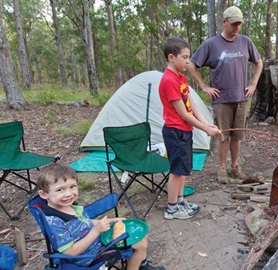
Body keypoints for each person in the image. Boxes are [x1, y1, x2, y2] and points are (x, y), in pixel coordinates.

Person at [36, 163, 164, 270]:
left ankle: (142, 265)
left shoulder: (69, 207)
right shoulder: (55, 222)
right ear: (43, 194)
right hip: (87, 257)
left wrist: (111, 221)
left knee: (139, 230)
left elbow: (85, 223)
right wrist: (97, 231)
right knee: (140, 244)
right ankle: (140, 266)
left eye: (72, 187)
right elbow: (70, 252)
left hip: (95, 243)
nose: (68, 193)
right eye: (60, 190)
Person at [188, 5, 263, 183]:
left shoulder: (245, 42)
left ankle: (235, 167)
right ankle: (221, 169)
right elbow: (191, 64)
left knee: (237, 136)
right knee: (223, 135)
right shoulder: (211, 44)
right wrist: (204, 86)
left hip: (241, 98)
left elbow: (259, 62)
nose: (237, 28)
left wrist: (253, 84)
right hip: (221, 99)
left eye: (239, 24)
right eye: (234, 24)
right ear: (224, 22)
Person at [159, 37, 221, 220]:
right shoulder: (169, 80)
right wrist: (204, 129)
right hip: (175, 131)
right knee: (176, 171)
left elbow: (191, 104)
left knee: (183, 169)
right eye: (185, 57)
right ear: (172, 57)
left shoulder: (181, 77)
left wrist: (206, 123)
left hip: (184, 131)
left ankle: (179, 201)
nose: (188, 61)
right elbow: (183, 114)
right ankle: (171, 208)